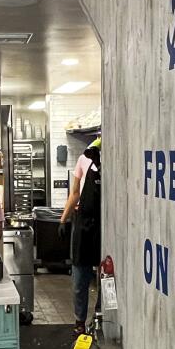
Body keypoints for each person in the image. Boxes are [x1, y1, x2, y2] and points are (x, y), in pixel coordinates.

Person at [60, 137, 102, 333]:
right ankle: (79, 322)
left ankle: (101, 317)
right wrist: (63, 219)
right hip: (83, 222)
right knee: (80, 277)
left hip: (105, 223)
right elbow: (75, 193)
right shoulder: (84, 159)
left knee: (107, 276)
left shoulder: (114, 158)